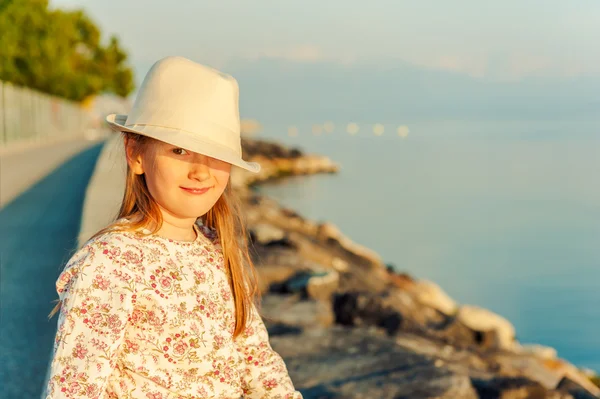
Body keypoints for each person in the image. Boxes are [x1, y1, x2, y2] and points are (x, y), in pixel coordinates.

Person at [43, 56, 303, 399]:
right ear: (135, 154)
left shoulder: (220, 251)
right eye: (180, 150)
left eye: (215, 154)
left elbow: (257, 361)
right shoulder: (111, 262)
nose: (200, 171)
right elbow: (74, 388)